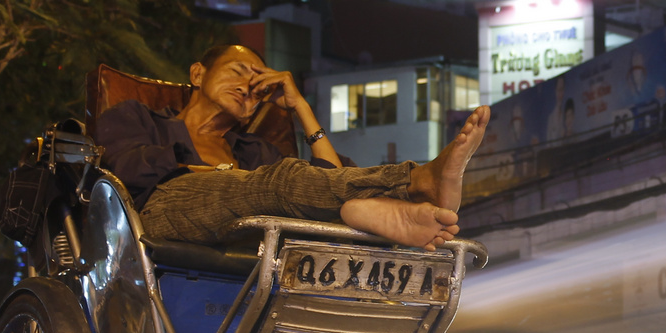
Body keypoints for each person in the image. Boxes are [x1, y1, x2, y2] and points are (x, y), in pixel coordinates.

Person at [98, 44, 488, 249]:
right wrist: (209, 171)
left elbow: (328, 177)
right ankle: (415, 181)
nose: (248, 86)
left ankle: (389, 204)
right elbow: (122, 169)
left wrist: (300, 106)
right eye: (238, 72)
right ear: (198, 74)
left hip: (247, 232)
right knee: (276, 182)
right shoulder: (142, 119)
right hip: (160, 215)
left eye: (258, 84)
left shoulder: (250, 150)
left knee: (295, 180)